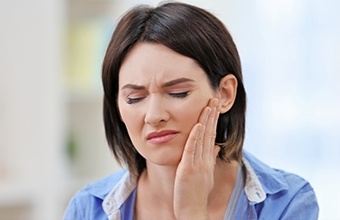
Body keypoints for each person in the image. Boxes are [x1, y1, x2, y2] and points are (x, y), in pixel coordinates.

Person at [63, 2, 319, 219]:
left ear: (225, 93)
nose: (154, 115)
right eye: (134, 98)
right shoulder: (87, 209)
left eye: (178, 93)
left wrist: (193, 212)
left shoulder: (287, 204)